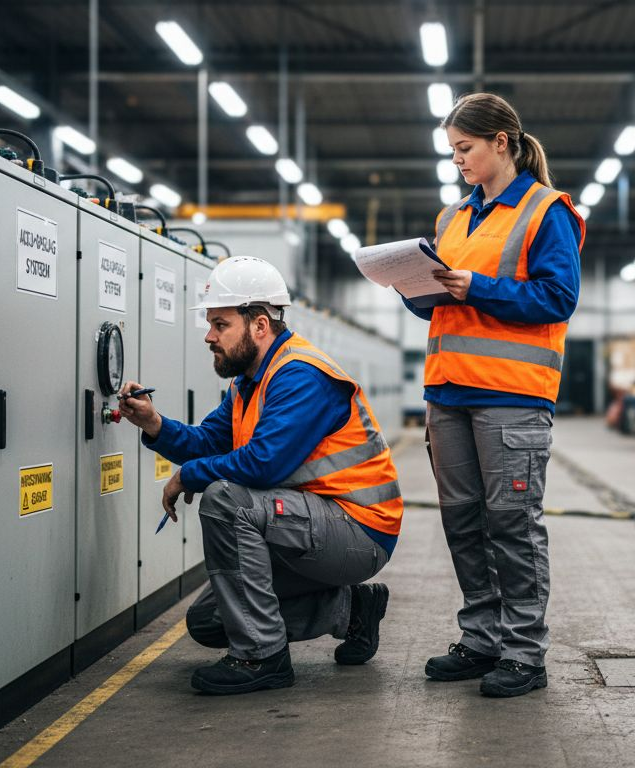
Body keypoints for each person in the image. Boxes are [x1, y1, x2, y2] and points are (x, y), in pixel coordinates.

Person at [119, 255, 403, 695]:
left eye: (220, 324)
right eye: (210, 323)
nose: (209, 336)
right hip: (308, 525)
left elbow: (262, 464)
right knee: (210, 622)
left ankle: (262, 658)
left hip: (359, 530)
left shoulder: (301, 375)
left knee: (223, 499)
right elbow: (206, 442)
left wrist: (187, 476)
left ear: (259, 325)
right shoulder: (249, 382)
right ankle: (353, 610)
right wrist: (154, 424)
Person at [402, 93, 584, 697]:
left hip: (512, 394)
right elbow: (444, 298)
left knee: (511, 522)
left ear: (500, 142)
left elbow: (557, 298)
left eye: (465, 148)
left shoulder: (546, 210)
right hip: (448, 391)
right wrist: (414, 286)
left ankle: (525, 653)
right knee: (462, 519)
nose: (458, 161)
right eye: (453, 151)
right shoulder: (453, 218)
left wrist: (475, 285)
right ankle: (481, 639)